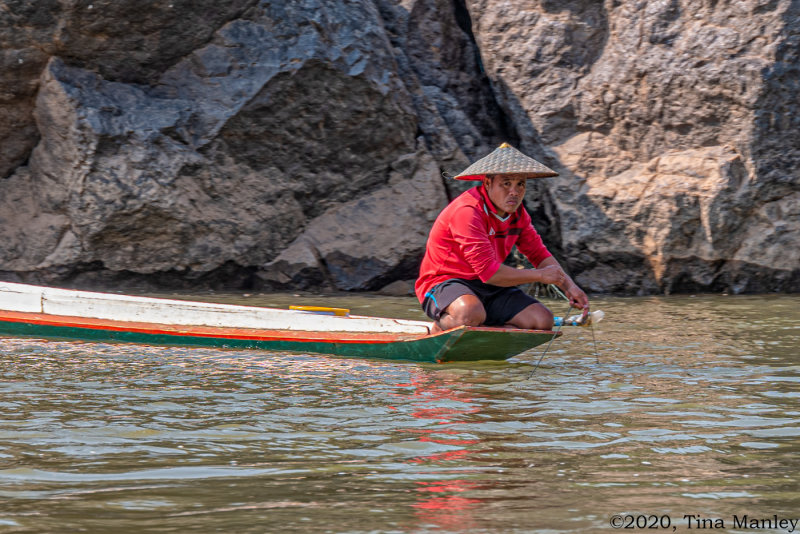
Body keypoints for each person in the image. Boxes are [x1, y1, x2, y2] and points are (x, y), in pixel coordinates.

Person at [415, 143, 589, 334]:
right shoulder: (468, 212)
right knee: (469, 313)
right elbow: (490, 272)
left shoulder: (518, 214)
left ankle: (485, 333)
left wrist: (570, 287)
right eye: (506, 183)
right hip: (445, 283)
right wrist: (539, 275)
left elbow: (538, 254)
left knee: (542, 321)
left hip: (488, 287)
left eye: (520, 184)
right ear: (487, 183)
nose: (514, 192)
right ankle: (442, 326)